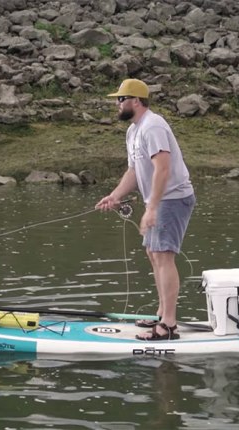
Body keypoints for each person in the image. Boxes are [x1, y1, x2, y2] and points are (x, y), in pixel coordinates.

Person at [95, 78, 196, 341]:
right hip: (159, 200)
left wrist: (151, 208)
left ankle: (169, 326)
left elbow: (163, 168)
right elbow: (133, 170)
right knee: (153, 253)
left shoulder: (153, 126)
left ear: (136, 101)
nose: (117, 104)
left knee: (163, 255)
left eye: (120, 99)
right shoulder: (133, 131)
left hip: (173, 198)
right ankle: (162, 313)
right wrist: (115, 196)